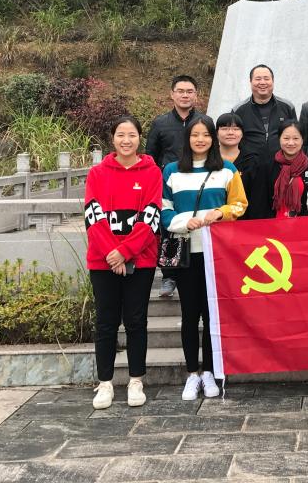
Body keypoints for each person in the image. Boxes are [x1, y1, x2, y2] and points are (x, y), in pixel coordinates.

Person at [161, 116, 248, 400]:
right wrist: (183, 223)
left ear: (213, 138)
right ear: (187, 138)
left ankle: (210, 371)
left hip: (216, 254)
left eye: (206, 135)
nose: (200, 140)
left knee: (212, 315)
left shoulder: (227, 170)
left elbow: (239, 204)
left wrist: (220, 213)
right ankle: (192, 374)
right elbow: (163, 209)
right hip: (186, 251)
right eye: (195, 135)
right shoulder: (172, 171)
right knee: (190, 314)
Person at [84, 115, 162, 410]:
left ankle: (135, 380)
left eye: (131, 135)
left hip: (140, 260)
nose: (126, 140)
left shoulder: (152, 173)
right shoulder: (97, 173)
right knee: (105, 321)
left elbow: (151, 216)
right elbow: (93, 216)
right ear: (112, 138)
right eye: (120, 135)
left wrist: (126, 252)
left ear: (140, 138)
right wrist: (112, 253)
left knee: (136, 320)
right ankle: (105, 382)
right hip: (102, 260)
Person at [146, 74, 212, 299]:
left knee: (198, 226)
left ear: (196, 95)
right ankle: (169, 275)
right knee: (170, 227)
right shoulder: (160, 123)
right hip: (171, 184)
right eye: (181, 91)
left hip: (199, 183)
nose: (185, 95)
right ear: (172, 94)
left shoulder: (204, 121)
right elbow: (151, 156)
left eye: (190, 91)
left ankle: (202, 269)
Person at [232, 64, 297, 159]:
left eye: (266, 79)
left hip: (281, 163)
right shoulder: (238, 110)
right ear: (250, 82)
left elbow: (296, 135)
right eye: (258, 79)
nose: (262, 82)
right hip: (248, 163)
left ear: (273, 81)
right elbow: (232, 139)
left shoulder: (287, 106)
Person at [216, 111, 262, 219]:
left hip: (244, 221)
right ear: (216, 133)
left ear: (242, 133)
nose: (230, 132)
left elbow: (257, 198)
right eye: (225, 128)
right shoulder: (207, 160)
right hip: (212, 220)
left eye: (236, 129)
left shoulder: (253, 161)